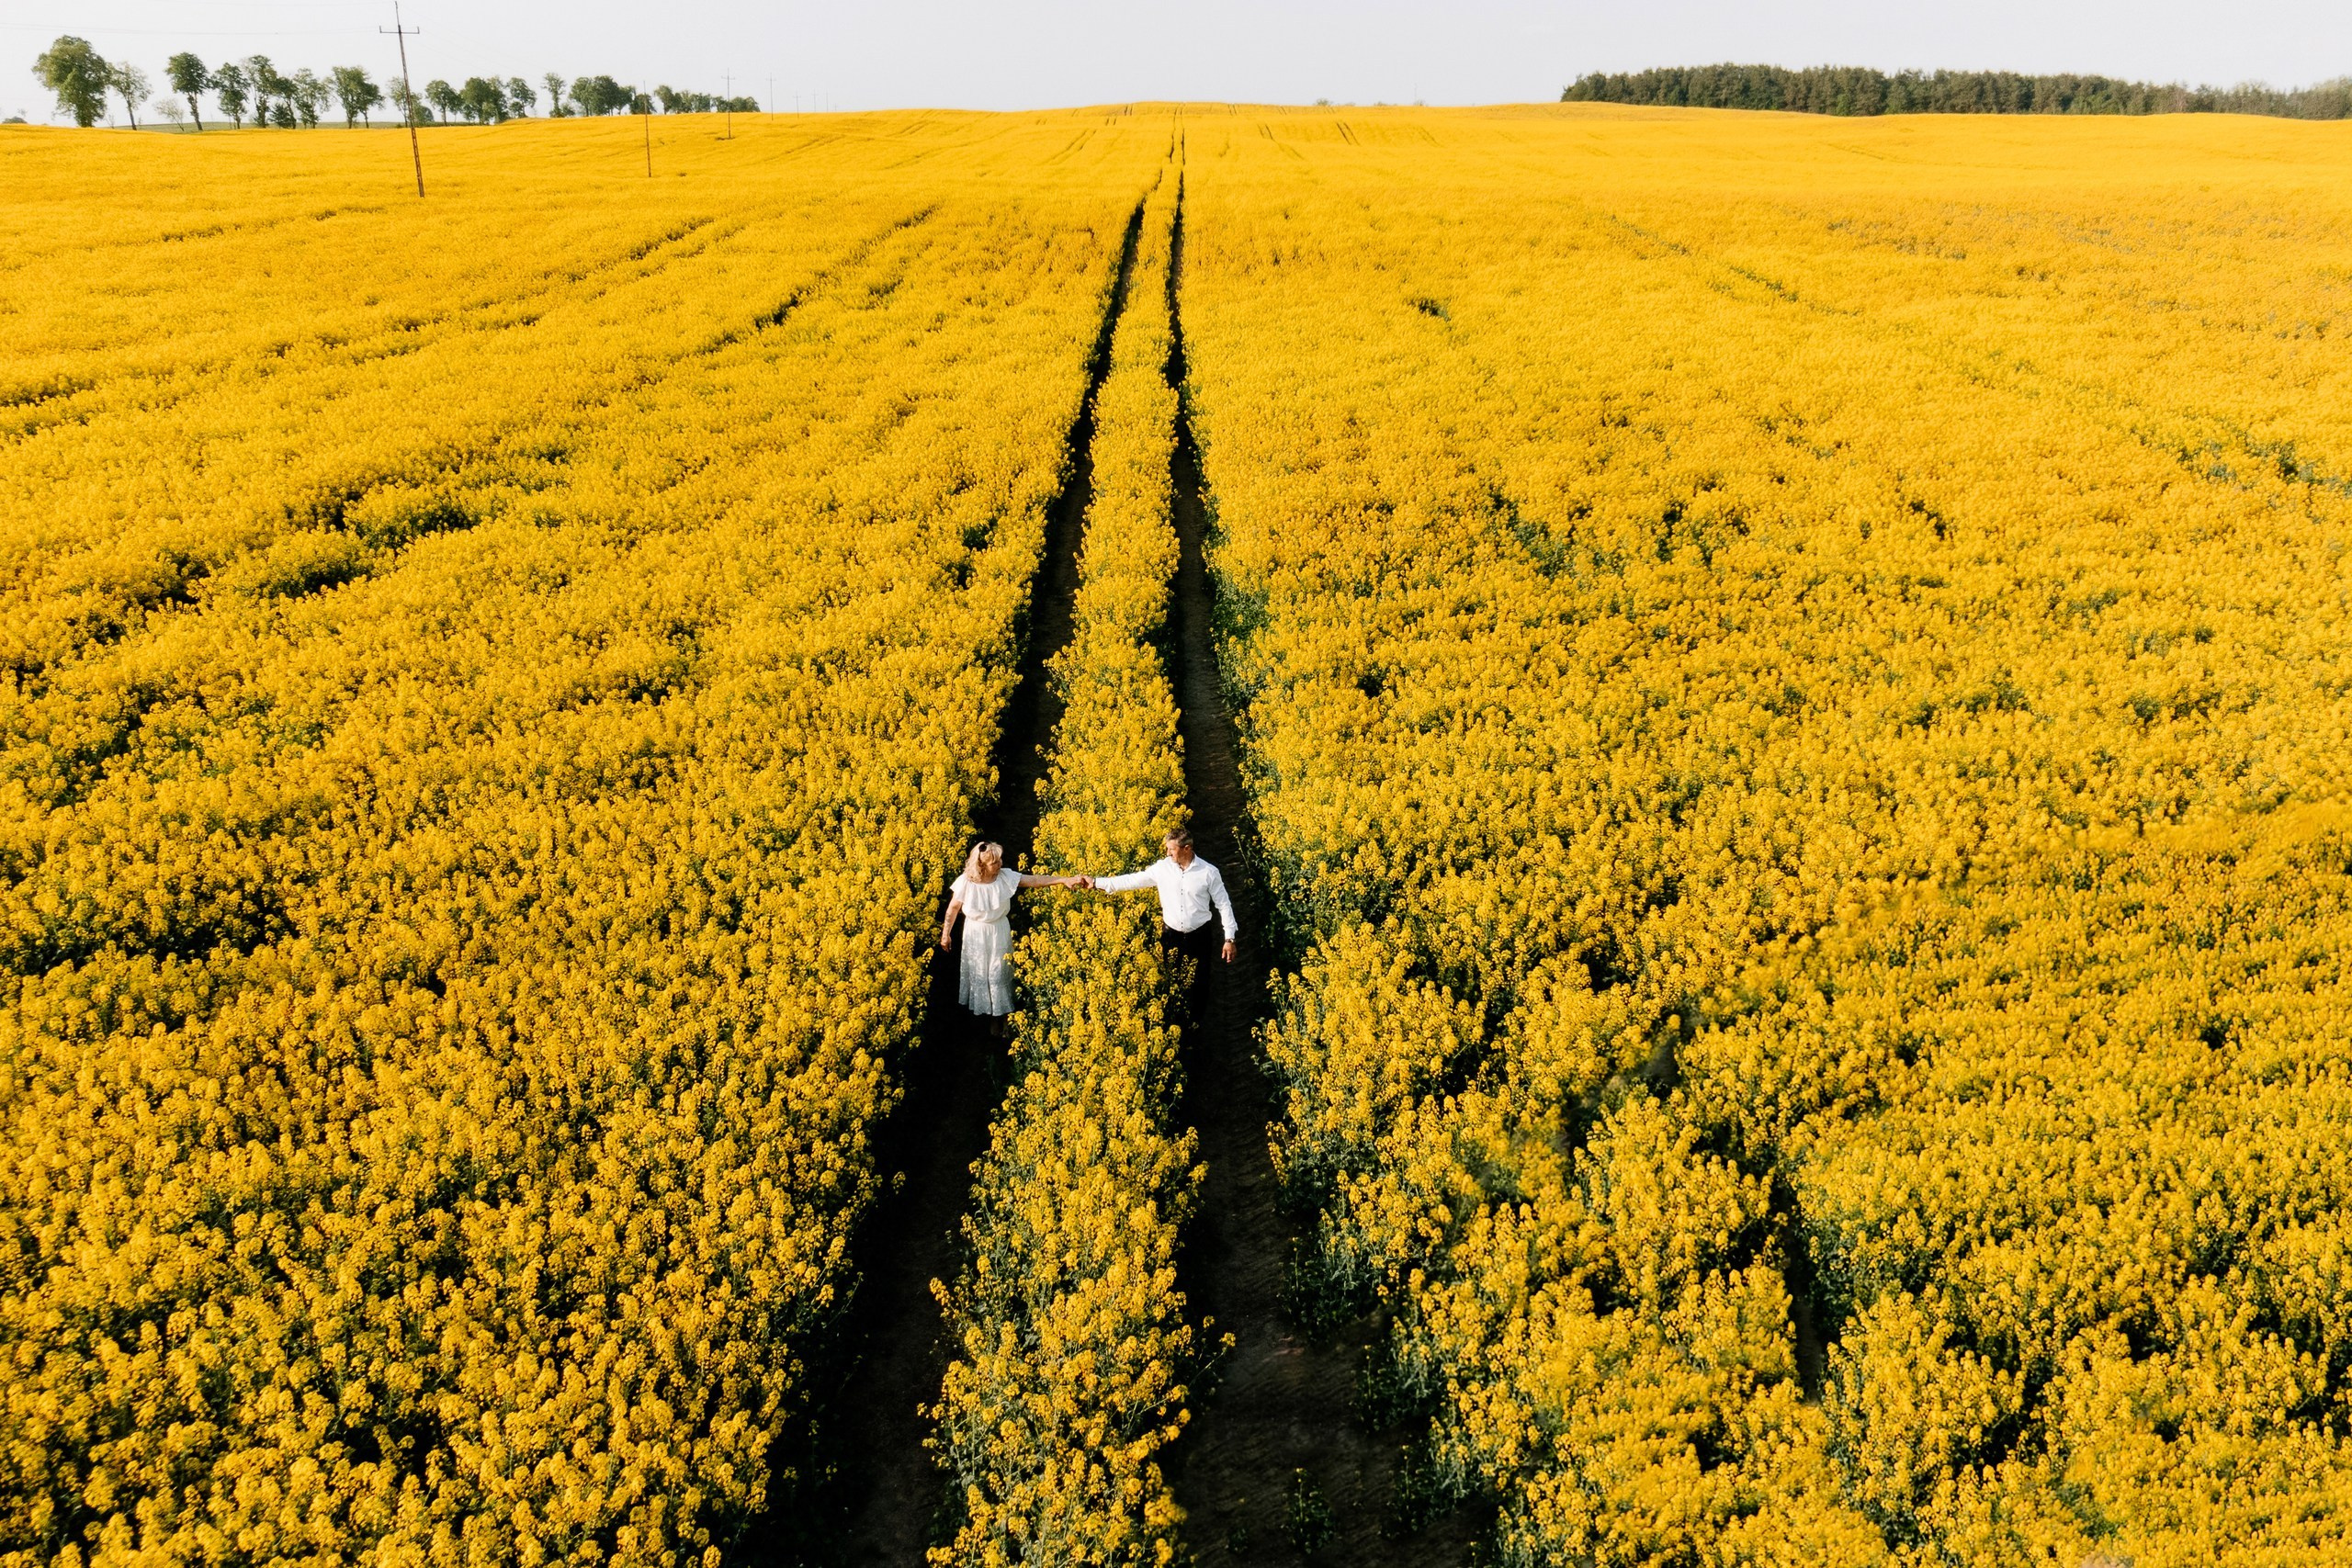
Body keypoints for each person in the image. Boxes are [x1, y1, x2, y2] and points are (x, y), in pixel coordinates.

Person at [941, 840, 1084, 1033]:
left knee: (999, 973)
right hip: (975, 933)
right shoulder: (966, 882)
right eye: (994, 862)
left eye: (1000, 860)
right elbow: (953, 909)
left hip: (998, 930)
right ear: (981, 865)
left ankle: (1006, 1016)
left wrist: (1063, 879)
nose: (1000, 864)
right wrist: (946, 934)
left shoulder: (1004, 876)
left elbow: (1033, 881)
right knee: (980, 973)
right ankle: (992, 1018)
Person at [1081, 826, 1238, 979]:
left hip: (1199, 936)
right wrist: (1095, 883)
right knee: (1172, 981)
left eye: (1171, 849)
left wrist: (1229, 939)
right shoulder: (1162, 868)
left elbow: (1223, 904)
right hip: (1171, 936)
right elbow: (1130, 880)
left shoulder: (1208, 872)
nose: (1167, 853)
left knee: (1200, 981)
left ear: (1187, 848)